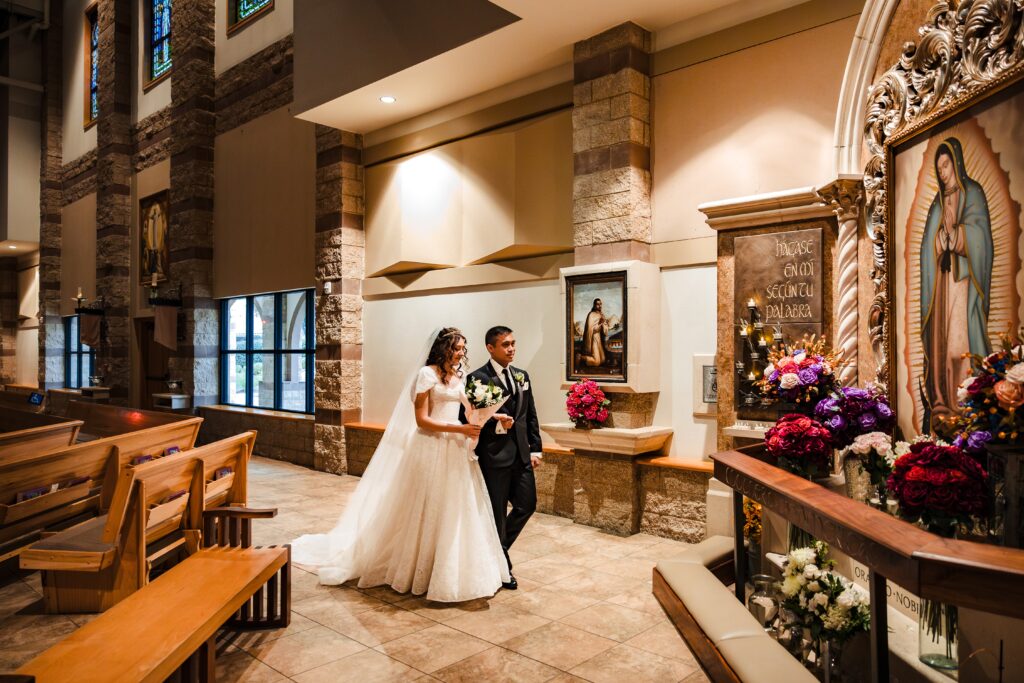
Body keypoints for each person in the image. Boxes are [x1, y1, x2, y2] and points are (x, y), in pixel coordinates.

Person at [291, 327, 510, 602]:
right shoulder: (426, 375)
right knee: (425, 504)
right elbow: (422, 420)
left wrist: (496, 416)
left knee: (454, 507)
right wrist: (459, 430)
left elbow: (469, 410)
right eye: (456, 348)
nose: (461, 354)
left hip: (455, 447)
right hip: (431, 444)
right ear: (443, 349)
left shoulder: (460, 376)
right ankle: (417, 565)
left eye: (463, 349)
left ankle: (447, 566)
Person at [919, 137, 993, 431]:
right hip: (943, 284)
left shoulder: (973, 193)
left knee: (960, 343)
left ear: (956, 163)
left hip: (963, 282)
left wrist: (959, 237)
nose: (943, 173)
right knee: (942, 343)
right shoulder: (937, 204)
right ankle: (943, 400)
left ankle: (966, 400)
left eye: (946, 165)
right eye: (939, 168)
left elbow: (982, 236)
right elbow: (928, 247)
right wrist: (940, 241)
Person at [460, 326, 542, 590]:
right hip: (494, 456)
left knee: (526, 505)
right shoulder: (477, 378)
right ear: (490, 348)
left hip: (521, 454)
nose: (511, 349)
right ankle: (501, 565)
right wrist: (495, 422)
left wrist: (535, 448)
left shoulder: (521, 376)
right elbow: (467, 419)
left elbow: (530, 415)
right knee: (496, 514)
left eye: (513, 343)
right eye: (505, 345)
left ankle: (498, 549)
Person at [579, 298, 609, 368]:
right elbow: (593, 330)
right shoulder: (591, 315)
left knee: (603, 360)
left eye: (600, 304)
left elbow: (605, 329)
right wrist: (600, 323)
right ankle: (581, 357)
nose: (600, 306)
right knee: (596, 362)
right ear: (594, 305)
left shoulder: (601, 314)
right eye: (598, 304)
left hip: (599, 339)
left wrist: (604, 324)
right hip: (593, 339)